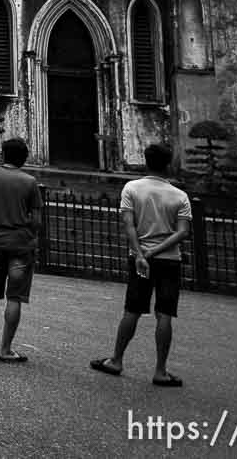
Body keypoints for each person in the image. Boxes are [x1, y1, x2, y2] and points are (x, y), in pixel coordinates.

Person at [91, 143, 193, 387]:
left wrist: (140, 254)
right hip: (169, 260)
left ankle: (116, 360)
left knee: (132, 310)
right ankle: (160, 371)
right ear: (168, 164)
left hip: (139, 259)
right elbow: (182, 233)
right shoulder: (180, 196)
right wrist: (156, 251)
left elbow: (129, 226)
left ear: (145, 162)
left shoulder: (132, 188)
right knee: (165, 314)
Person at [0, 136, 41, 363]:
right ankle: (6, 348)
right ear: (23, 158)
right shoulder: (29, 182)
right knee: (15, 297)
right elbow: (36, 220)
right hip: (20, 243)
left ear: (2, 154)